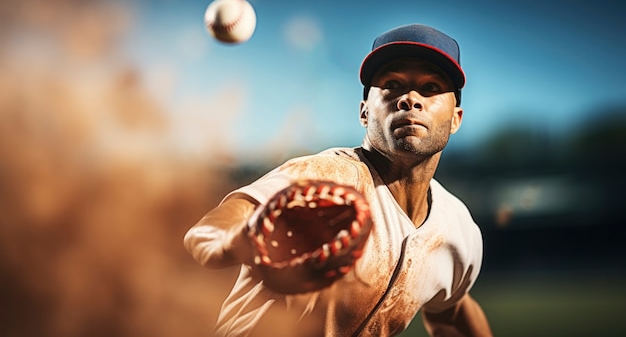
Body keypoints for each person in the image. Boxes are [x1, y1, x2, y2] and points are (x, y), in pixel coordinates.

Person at [184, 24, 493, 337]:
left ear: (455, 119)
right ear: (364, 113)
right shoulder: (326, 176)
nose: (409, 99)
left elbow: (451, 311)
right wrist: (239, 240)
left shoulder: (458, 229)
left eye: (430, 88)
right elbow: (209, 230)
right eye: (392, 84)